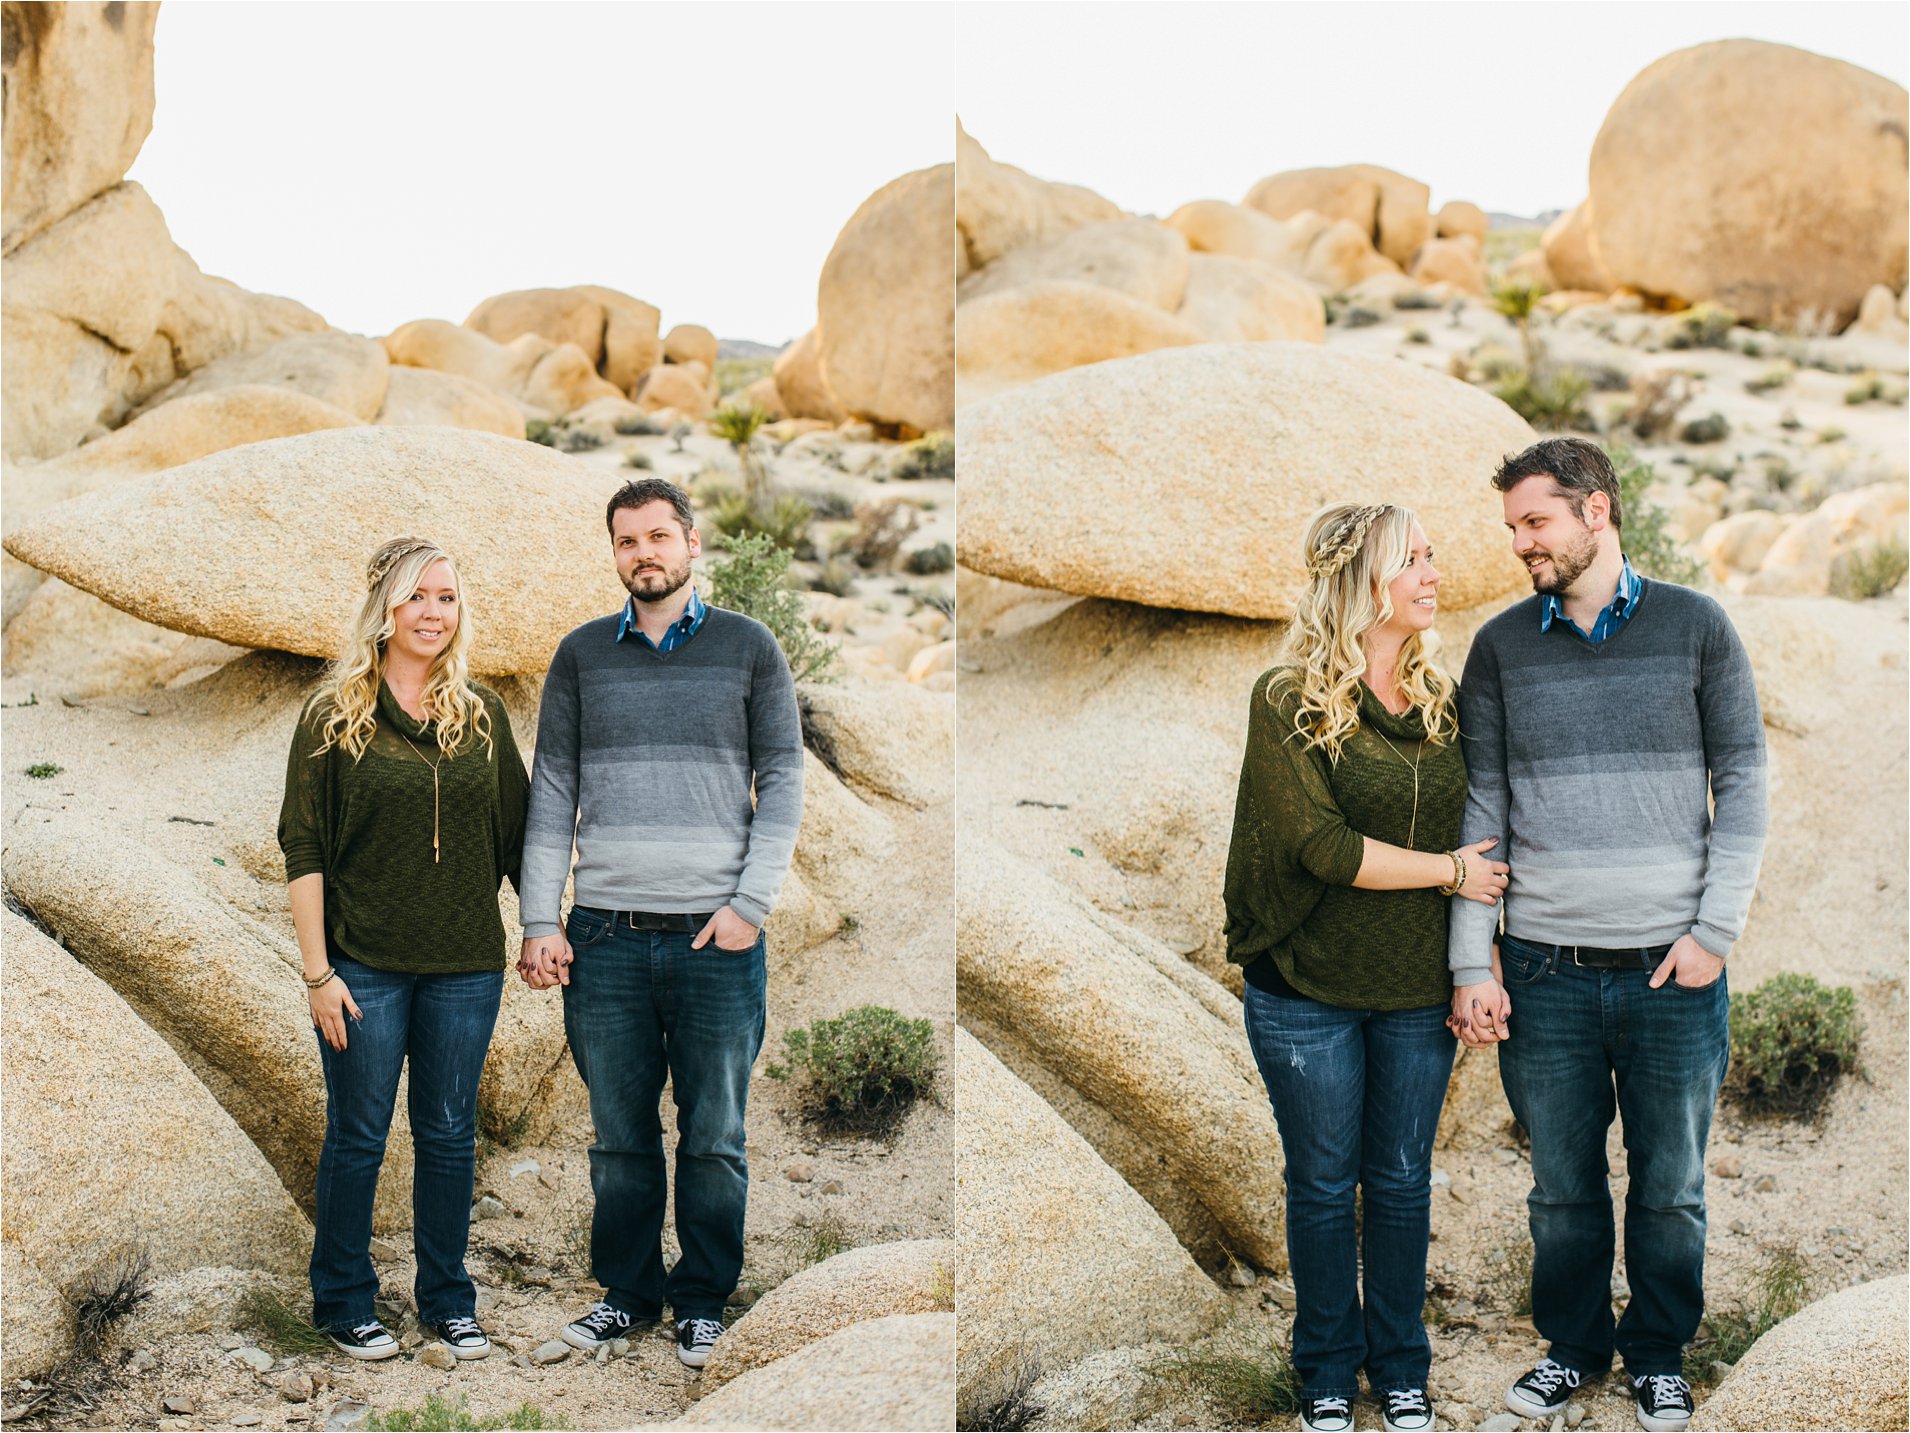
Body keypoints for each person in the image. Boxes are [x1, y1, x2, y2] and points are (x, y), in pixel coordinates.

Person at [1450, 438, 1767, 1433]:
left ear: (1594, 512)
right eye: (1509, 527)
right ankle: (1574, 1347)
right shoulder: (1498, 645)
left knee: (1669, 1183)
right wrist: (1473, 956)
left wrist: (1713, 931)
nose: (1518, 544)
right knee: (1560, 1186)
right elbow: (1479, 807)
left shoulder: (1695, 626)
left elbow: (1745, 781)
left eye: (1533, 521)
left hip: (1673, 967)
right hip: (1541, 968)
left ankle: (1658, 1352)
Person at [1224, 502, 1510, 1433]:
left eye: (1432, 557)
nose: (1433, 575)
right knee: (1320, 1182)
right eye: (1411, 562)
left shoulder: (1444, 701)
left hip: (1416, 986)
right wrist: (1453, 874)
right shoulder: (1287, 698)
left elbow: (1488, 825)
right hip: (1304, 985)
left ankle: (1401, 1370)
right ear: (1358, 582)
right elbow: (1321, 846)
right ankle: (1323, 1377)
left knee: (1398, 1180)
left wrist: (1478, 958)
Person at [517, 477, 804, 1370]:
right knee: (620, 1135)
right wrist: (540, 917)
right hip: (603, 934)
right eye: (627, 541)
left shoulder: (749, 648)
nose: (644, 553)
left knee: (714, 1131)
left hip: (715, 940)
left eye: (658, 536)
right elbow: (553, 788)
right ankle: (629, 1293)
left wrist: (749, 906)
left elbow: (784, 783)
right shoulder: (578, 658)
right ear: (614, 554)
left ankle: (703, 1295)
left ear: (691, 544)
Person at [279, 536, 530, 1362]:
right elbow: (305, 850)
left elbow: (517, 836)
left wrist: (543, 925)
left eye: (448, 598)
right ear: (385, 608)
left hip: (465, 965)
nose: (433, 613)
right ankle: (343, 1300)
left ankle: (447, 1299)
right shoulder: (332, 713)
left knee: (451, 1132)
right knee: (359, 1133)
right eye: (418, 597)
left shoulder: (483, 712)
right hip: (362, 968)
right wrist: (318, 973)